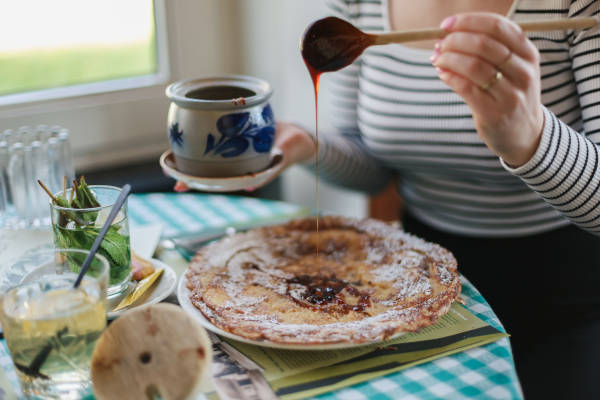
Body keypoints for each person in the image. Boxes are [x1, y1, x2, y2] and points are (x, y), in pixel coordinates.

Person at [269, 1, 600, 398]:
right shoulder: (356, 7)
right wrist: (307, 145)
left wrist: (531, 138)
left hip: (559, 294)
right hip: (412, 285)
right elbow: (373, 171)